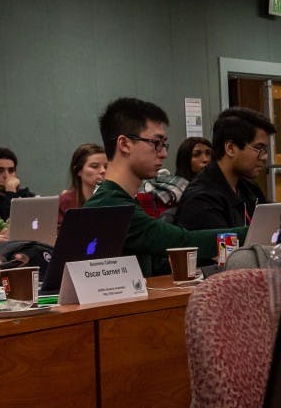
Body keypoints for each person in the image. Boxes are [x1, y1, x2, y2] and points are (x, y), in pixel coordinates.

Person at [84, 97, 246, 276]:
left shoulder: (121, 200)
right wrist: (253, 233)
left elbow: (157, 265)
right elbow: (182, 242)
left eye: (164, 144)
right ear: (124, 144)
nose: (163, 153)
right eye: (156, 143)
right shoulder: (110, 206)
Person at [174, 109, 273, 230]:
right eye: (259, 148)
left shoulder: (248, 188)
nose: (264, 157)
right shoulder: (201, 200)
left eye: (265, 150)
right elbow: (223, 246)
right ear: (230, 148)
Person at [59, 143, 108, 226]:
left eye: (106, 166)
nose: (103, 171)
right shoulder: (64, 202)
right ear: (78, 171)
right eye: (95, 166)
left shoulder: (114, 199)